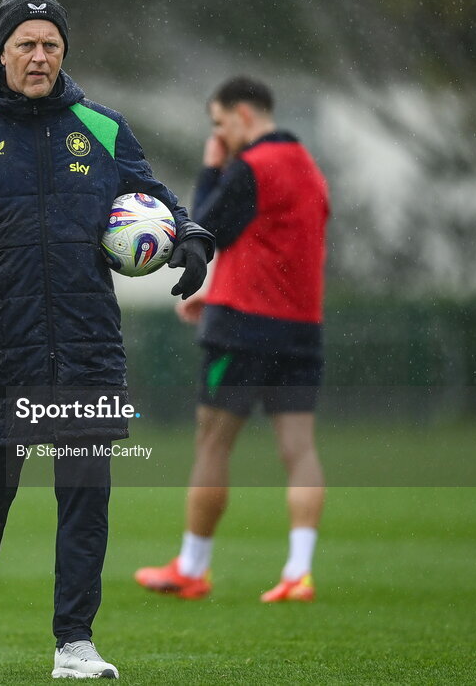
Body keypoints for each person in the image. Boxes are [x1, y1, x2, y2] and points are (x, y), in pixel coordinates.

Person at [0, 0, 214, 679]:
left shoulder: (100, 129)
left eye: (50, 44)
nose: (39, 56)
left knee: (84, 495)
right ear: (2, 52)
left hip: (84, 347)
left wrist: (189, 234)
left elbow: (154, 198)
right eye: (26, 44)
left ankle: (74, 642)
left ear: (63, 51)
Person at [134, 76, 329, 603]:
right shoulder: (309, 169)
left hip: (243, 329)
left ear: (243, 115)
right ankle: (298, 571)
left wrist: (212, 164)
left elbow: (203, 229)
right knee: (299, 449)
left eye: (219, 124)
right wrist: (216, 293)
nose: (218, 134)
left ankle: (193, 566)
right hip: (300, 329)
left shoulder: (251, 166)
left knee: (213, 443)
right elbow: (277, 246)